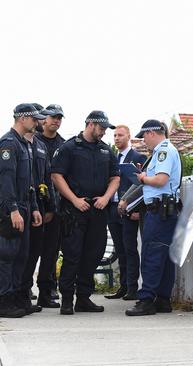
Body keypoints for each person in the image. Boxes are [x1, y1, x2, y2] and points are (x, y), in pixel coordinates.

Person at [51, 110, 119, 315]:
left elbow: (115, 178)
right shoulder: (70, 147)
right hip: (74, 210)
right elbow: (56, 176)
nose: (104, 132)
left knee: (94, 254)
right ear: (90, 124)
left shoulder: (106, 150)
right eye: (101, 128)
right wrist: (74, 199)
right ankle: (66, 299)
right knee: (72, 255)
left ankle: (83, 298)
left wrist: (107, 197)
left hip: (98, 209)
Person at [124, 119, 181, 316]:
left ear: (151, 133)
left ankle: (146, 299)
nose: (144, 142)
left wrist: (142, 178)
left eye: (144, 137)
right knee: (164, 257)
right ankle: (163, 300)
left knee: (152, 254)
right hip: (166, 211)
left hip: (160, 211)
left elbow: (160, 180)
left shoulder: (164, 151)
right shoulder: (164, 151)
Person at [0, 104, 44, 318]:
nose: (37, 123)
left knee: (22, 255)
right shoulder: (8, 144)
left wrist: (34, 206)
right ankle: (4, 300)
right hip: (11, 208)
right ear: (22, 118)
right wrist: (13, 210)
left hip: (25, 206)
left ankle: (18, 297)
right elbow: (6, 181)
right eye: (34, 119)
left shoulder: (25, 144)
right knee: (7, 255)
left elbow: (30, 181)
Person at [18, 103, 56, 315]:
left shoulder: (40, 146)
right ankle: (20, 296)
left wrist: (50, 206)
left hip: (40, 208)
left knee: (35, 254)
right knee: (21, 256)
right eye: (39, 118)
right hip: (24, 206)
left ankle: (28, 295)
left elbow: (47, 178)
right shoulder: (17, 143)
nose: (42, 121)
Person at [105, 125, 147, 301]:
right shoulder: (112, 158)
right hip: (113, 209)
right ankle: (122, 287)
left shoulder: (138, 157)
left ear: (128, 136)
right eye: (114, 135)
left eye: (120, 135)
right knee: (120, 250)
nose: (117, 138)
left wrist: (137, 209)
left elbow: (142, 186)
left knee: (130, 249)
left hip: (129, 210)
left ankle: (132, 287)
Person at [34, 104, 66, 307]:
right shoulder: (33, 141)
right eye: (53, 117)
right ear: (44, 119)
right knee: (30, 251)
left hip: (57, 206)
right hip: (36, 205)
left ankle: (46, 291)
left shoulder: (64, 145)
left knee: (51, 252)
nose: (56, 120)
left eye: (59, 118)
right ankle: (23, 289)